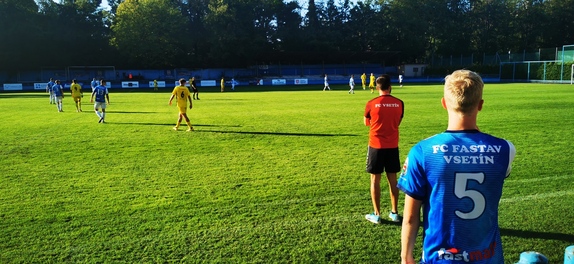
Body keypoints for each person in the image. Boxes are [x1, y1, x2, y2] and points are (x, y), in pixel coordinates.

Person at [398, 70, 516, 264]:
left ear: (444, 103)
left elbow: (411, 217)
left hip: (440, 258)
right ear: (480, 105)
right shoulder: (505, 149)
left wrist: (405, 257)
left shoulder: (422, 151)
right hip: (487, 258)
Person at [364, 74, 404, 224]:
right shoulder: (399, 103)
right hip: (392, 146)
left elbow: (366, 122)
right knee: (393, 179)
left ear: (376, 87)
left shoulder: (371, 103)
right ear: (390, 87)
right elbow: (398, 121)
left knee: (375, 179)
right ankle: (394, 212)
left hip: (376, 146)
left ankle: (377, 214)